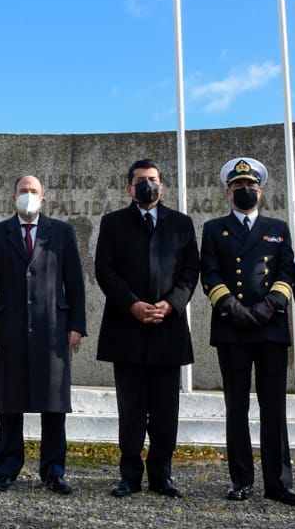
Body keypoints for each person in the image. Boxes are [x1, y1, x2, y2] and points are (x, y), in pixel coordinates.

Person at [199, 157, 295, 505]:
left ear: (261, 190)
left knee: (273, 407)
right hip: (232, 327)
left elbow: (287, 272)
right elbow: (210, 274)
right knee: (236, 407)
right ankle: (241, 479)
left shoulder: (279, 228)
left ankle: (279, 483)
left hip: (270, 328)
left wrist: (268, 305)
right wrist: (232, 307)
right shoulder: (214, 229)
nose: (245, 191)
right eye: (238, 186)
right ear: (228, 191)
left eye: (251, 186)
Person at [94, 158, 198, 498]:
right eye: (140, 180)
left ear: (162, 186)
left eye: (152, 179)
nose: (147, 184)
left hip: (167, 329)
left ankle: (162, 475)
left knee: (166, 411)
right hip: (127, 328)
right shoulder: (112, 223)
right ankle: (129, 476)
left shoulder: (182, 224)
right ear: (129, 187)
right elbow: (105, 270)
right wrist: (132, 304)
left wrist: (171, 304)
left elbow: (190, 272)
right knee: (132, 410)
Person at [0, 175, 86, 495]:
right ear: (13, 198)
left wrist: (77, 325)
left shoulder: (62, 233)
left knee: (53, 404)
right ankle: (7, 469)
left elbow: (75, 283)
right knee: (10, 402)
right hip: (9, 328)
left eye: (33, 191)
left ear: (44, 199)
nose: (28, 195)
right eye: (23, 191)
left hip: (53, 330)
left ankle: (54, 472)